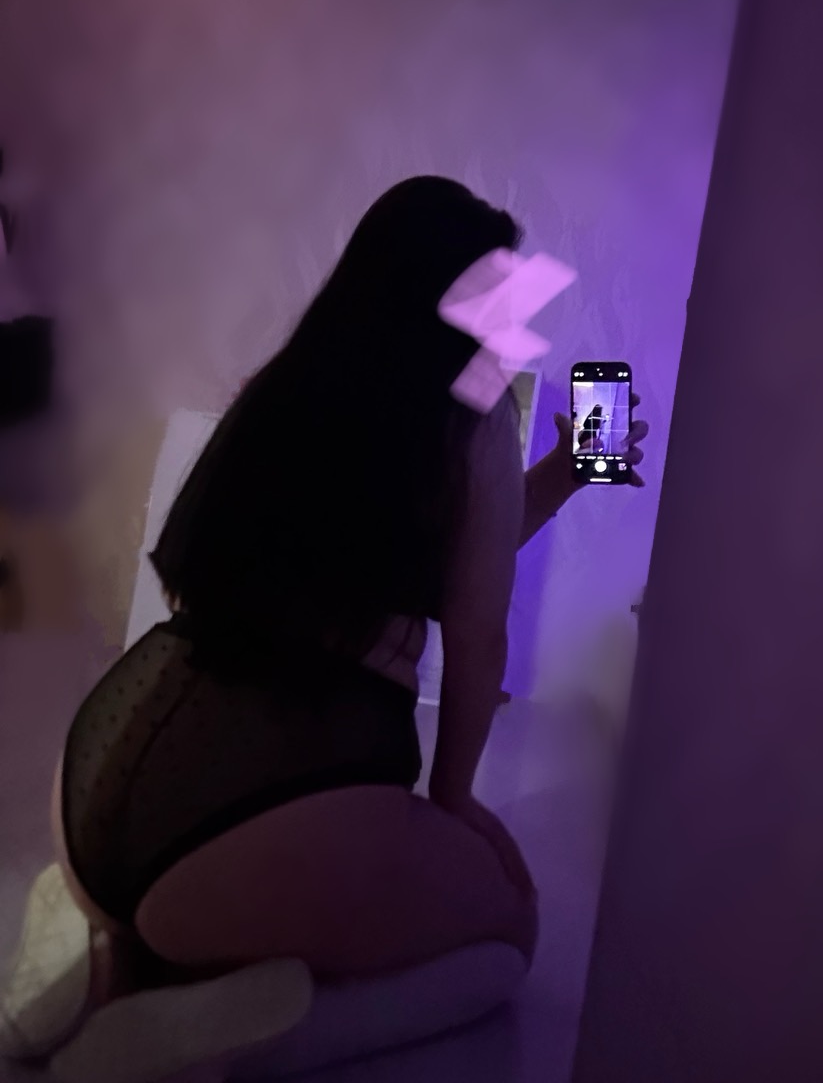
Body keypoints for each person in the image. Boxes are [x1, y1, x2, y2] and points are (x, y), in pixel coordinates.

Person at [2, 177, 649, 1070]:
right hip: (246, 814)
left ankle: (99, 928)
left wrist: (568, 471)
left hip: (98, 776)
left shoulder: (283, 394)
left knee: (179, 877)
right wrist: (452, 804)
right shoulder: (470, 423)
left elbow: (452, 553)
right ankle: (216, 1027)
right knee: (507, 937)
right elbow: (477, 634)